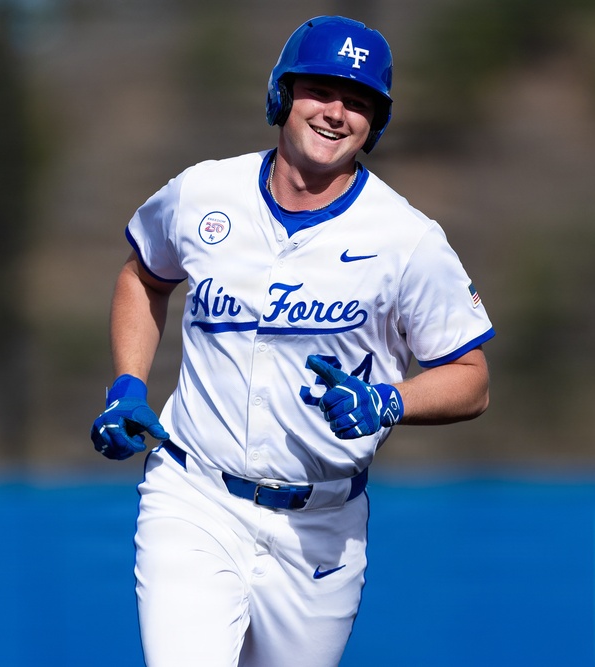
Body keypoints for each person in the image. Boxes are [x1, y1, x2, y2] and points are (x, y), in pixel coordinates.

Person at [89, 15, 495, 667]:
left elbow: (471, 375)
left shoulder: (406, 239)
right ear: (282, 94)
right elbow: (143, 275)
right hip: (195, 496)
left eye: (358, 101)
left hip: (320, 528)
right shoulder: (203, 193)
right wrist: (130, 382)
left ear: (376, 123)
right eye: (322, 90)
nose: (336, 112)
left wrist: (390, 400)